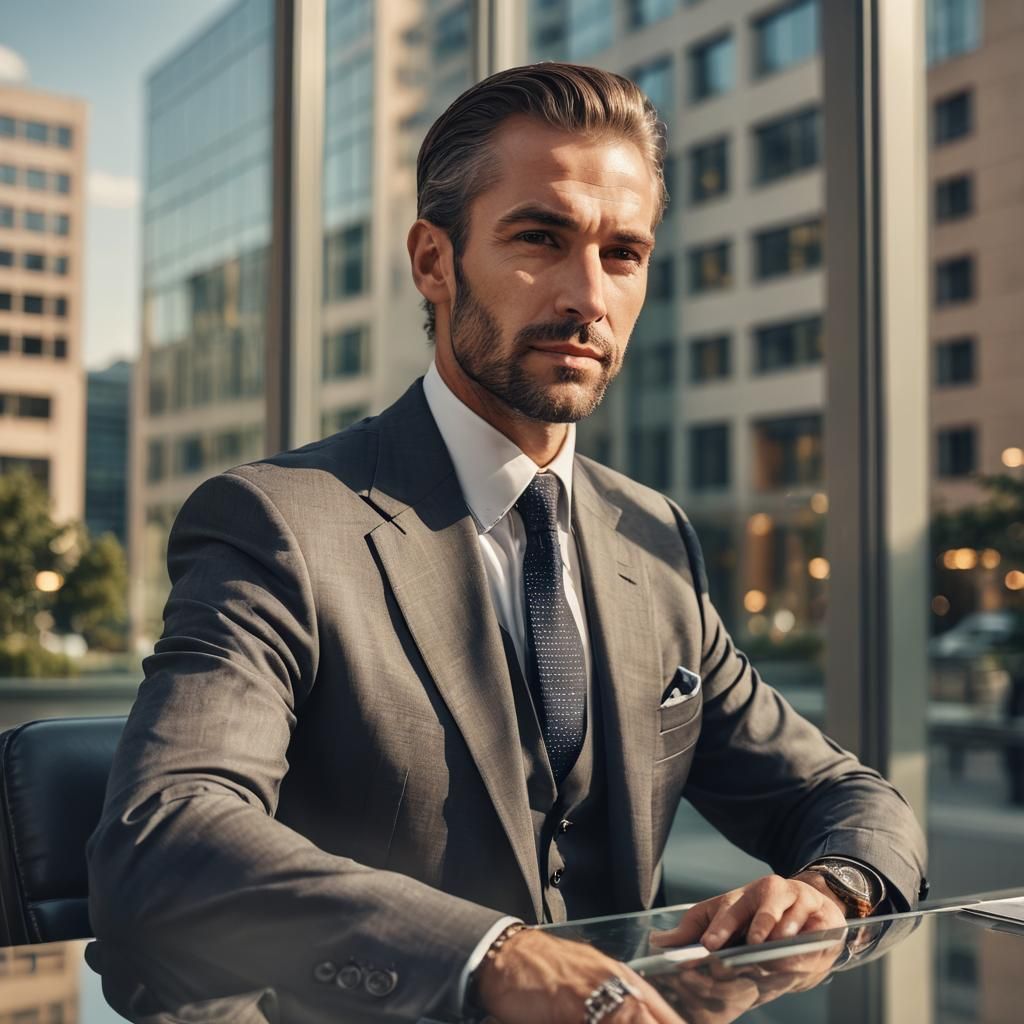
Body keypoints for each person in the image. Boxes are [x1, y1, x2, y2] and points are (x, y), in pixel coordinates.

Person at [88, 63, 927, 1024]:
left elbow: (843, 796)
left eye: (623, 253)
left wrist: (830, 891)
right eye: (541, 238)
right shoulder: (278, 522)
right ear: (432, 262)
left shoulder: (652, 536)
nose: (587, 296)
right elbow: (165, 840)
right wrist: (491, 958)